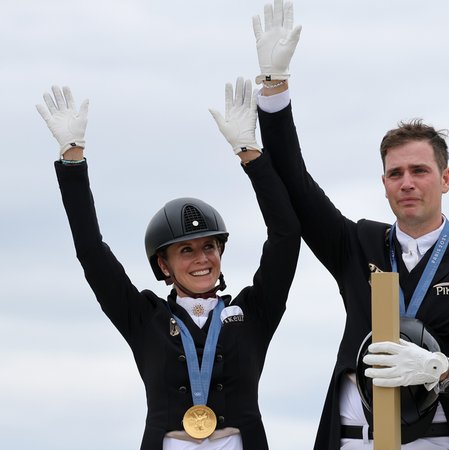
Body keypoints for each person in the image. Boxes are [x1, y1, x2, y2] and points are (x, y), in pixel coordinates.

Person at [248, 1, 449, 448]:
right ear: (384, 183)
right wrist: (274, 93)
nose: (407, 183)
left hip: (438, 440)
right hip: (354, 439)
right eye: (396, 174)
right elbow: (295, 184)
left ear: (446, 178)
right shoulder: (359, 244)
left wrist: (441, 368)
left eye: (419, 171)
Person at [38, 78, 301, 450]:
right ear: (163, 265)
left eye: (209, 247)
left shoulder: (253, 311)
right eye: (186, 251)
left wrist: (250, 155)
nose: (202, 259)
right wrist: (72, 161)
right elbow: (92, 253)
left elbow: (286, 236)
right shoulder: (144, 317)